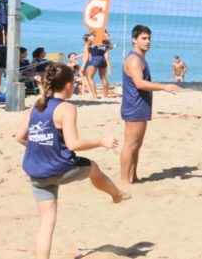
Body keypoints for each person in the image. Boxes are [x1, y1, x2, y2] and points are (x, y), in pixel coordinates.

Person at [14, 63, 129, 259]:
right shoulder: (66, 108)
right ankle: (116, 194)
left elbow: (19, 137)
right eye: (74, 82)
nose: (75, 85)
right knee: (92, 167)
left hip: (36, 171)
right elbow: (74, 144)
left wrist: (42, 148)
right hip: (59, 169)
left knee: (47, 222)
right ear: (67, 85)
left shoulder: (37, 105)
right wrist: (102, 141)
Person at [120, 25, 181, 185]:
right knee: (130, 144)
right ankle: (124, 180)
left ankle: (133, 176)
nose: (148, 41)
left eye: (149, 38)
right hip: (134, 106)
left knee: (136, 145)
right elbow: (139, 84)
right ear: (134, 39)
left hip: (140, 105)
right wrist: (164, 87)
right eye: (144, 38)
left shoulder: (140, 58)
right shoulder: (134, 59)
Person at [82, 32, 114, 99]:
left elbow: (86, 57)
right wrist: (109, 67)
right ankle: (105, 96)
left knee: (89, 77)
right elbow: (107, 56)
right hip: (102, 60)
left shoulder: (90, 43)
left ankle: (94, 96)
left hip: (94, 59)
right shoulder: (105, 43)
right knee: (103, 78)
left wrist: (83, 66)